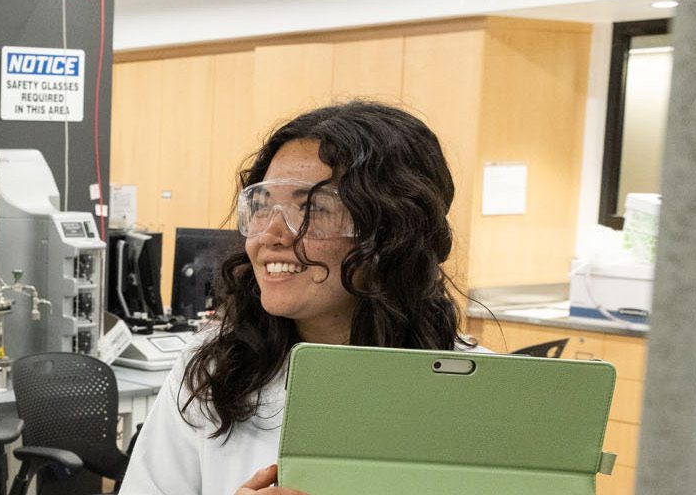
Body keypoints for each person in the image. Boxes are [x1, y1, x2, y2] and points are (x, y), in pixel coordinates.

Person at [121, 101, 480, 495]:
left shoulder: (482, 393)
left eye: (314, 209)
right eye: (262, 205)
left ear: (393, 233)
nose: (272, 234)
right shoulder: (211, 370)